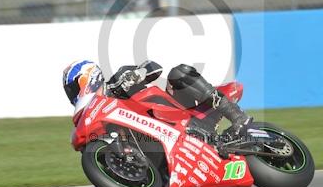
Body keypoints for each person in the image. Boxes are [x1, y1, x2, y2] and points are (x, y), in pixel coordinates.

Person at [62, 59, 252, 140]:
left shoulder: (118, 78)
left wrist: (135, 75)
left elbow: (155, 67)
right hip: (160, 139)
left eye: (73, 89)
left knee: (178, 73)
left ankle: (237, 117)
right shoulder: (97, 116)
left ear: (86, 77)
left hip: (180, 116)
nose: (73, 94)